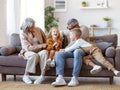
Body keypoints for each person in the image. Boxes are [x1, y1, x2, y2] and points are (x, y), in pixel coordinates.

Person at [51, 18, 86, 87]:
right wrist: (59, 34)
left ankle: (74, 78)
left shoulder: (84, 29)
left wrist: (67, 48)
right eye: (68, 28)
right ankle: (60, 78)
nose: (69, 30)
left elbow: (77, 39)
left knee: (77, 51)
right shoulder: (70, 30)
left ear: (76, 26)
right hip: (70, 50)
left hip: (82, 49)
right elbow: (62, 32)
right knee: (59, 53)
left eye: (70, 28)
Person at [19, 18, 48, 84]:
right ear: (27, 27)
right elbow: (27, 47)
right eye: (32, 27)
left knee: (44, 52)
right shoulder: (22, 34)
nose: (34, 27)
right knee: (34, 55)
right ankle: (26, 75)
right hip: (28, 51)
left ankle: (42, 76)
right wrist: (40, 46)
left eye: (34, 26)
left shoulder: (38, 29)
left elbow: (46, 38)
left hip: (40, 50)